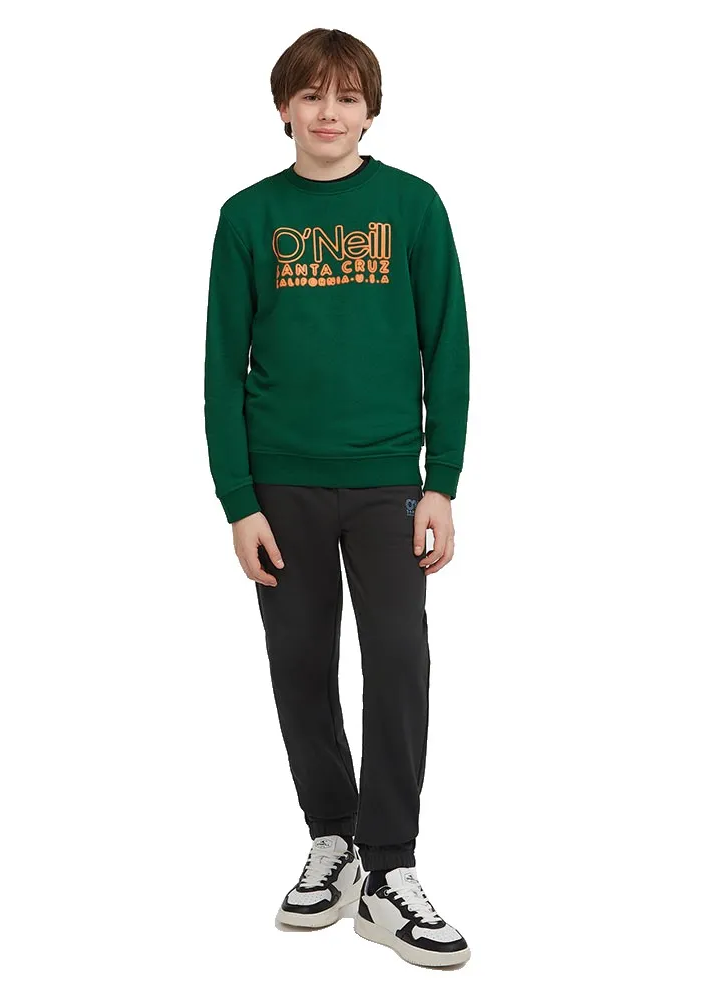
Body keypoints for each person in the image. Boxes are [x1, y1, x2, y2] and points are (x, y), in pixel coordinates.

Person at [203, 27, 471, 968]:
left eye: (347, 97)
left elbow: (449, 345)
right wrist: (239, 499)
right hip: (282, 484)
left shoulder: (412, 207)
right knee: (300, 665)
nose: (329, 113)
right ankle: (333, 838)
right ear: (284, 108)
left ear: (370, 111)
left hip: (390, 479)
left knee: (399, 661)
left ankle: (390, 868)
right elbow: (221, 367)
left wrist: (442, 482)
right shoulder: (248, 218)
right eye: (312, 96)